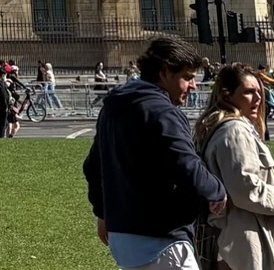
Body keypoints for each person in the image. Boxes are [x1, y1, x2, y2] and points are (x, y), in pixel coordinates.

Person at [84, 35, 227, 270]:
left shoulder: (114, 107)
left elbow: (93, 167)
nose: (193, 85)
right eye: (187, 78)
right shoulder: (163, 112)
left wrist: (103, 213)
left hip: (123, 237)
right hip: (162, 239)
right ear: (164, 73)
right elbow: (187, 167)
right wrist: (217, 191)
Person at [194, 64, 274, 270]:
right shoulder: (234, 131)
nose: (258, 98)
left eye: (259, 92)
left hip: (242, 232)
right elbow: (246, 190)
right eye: (248, 92)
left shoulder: (228, 128)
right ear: (227, 95)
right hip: (243, 236)